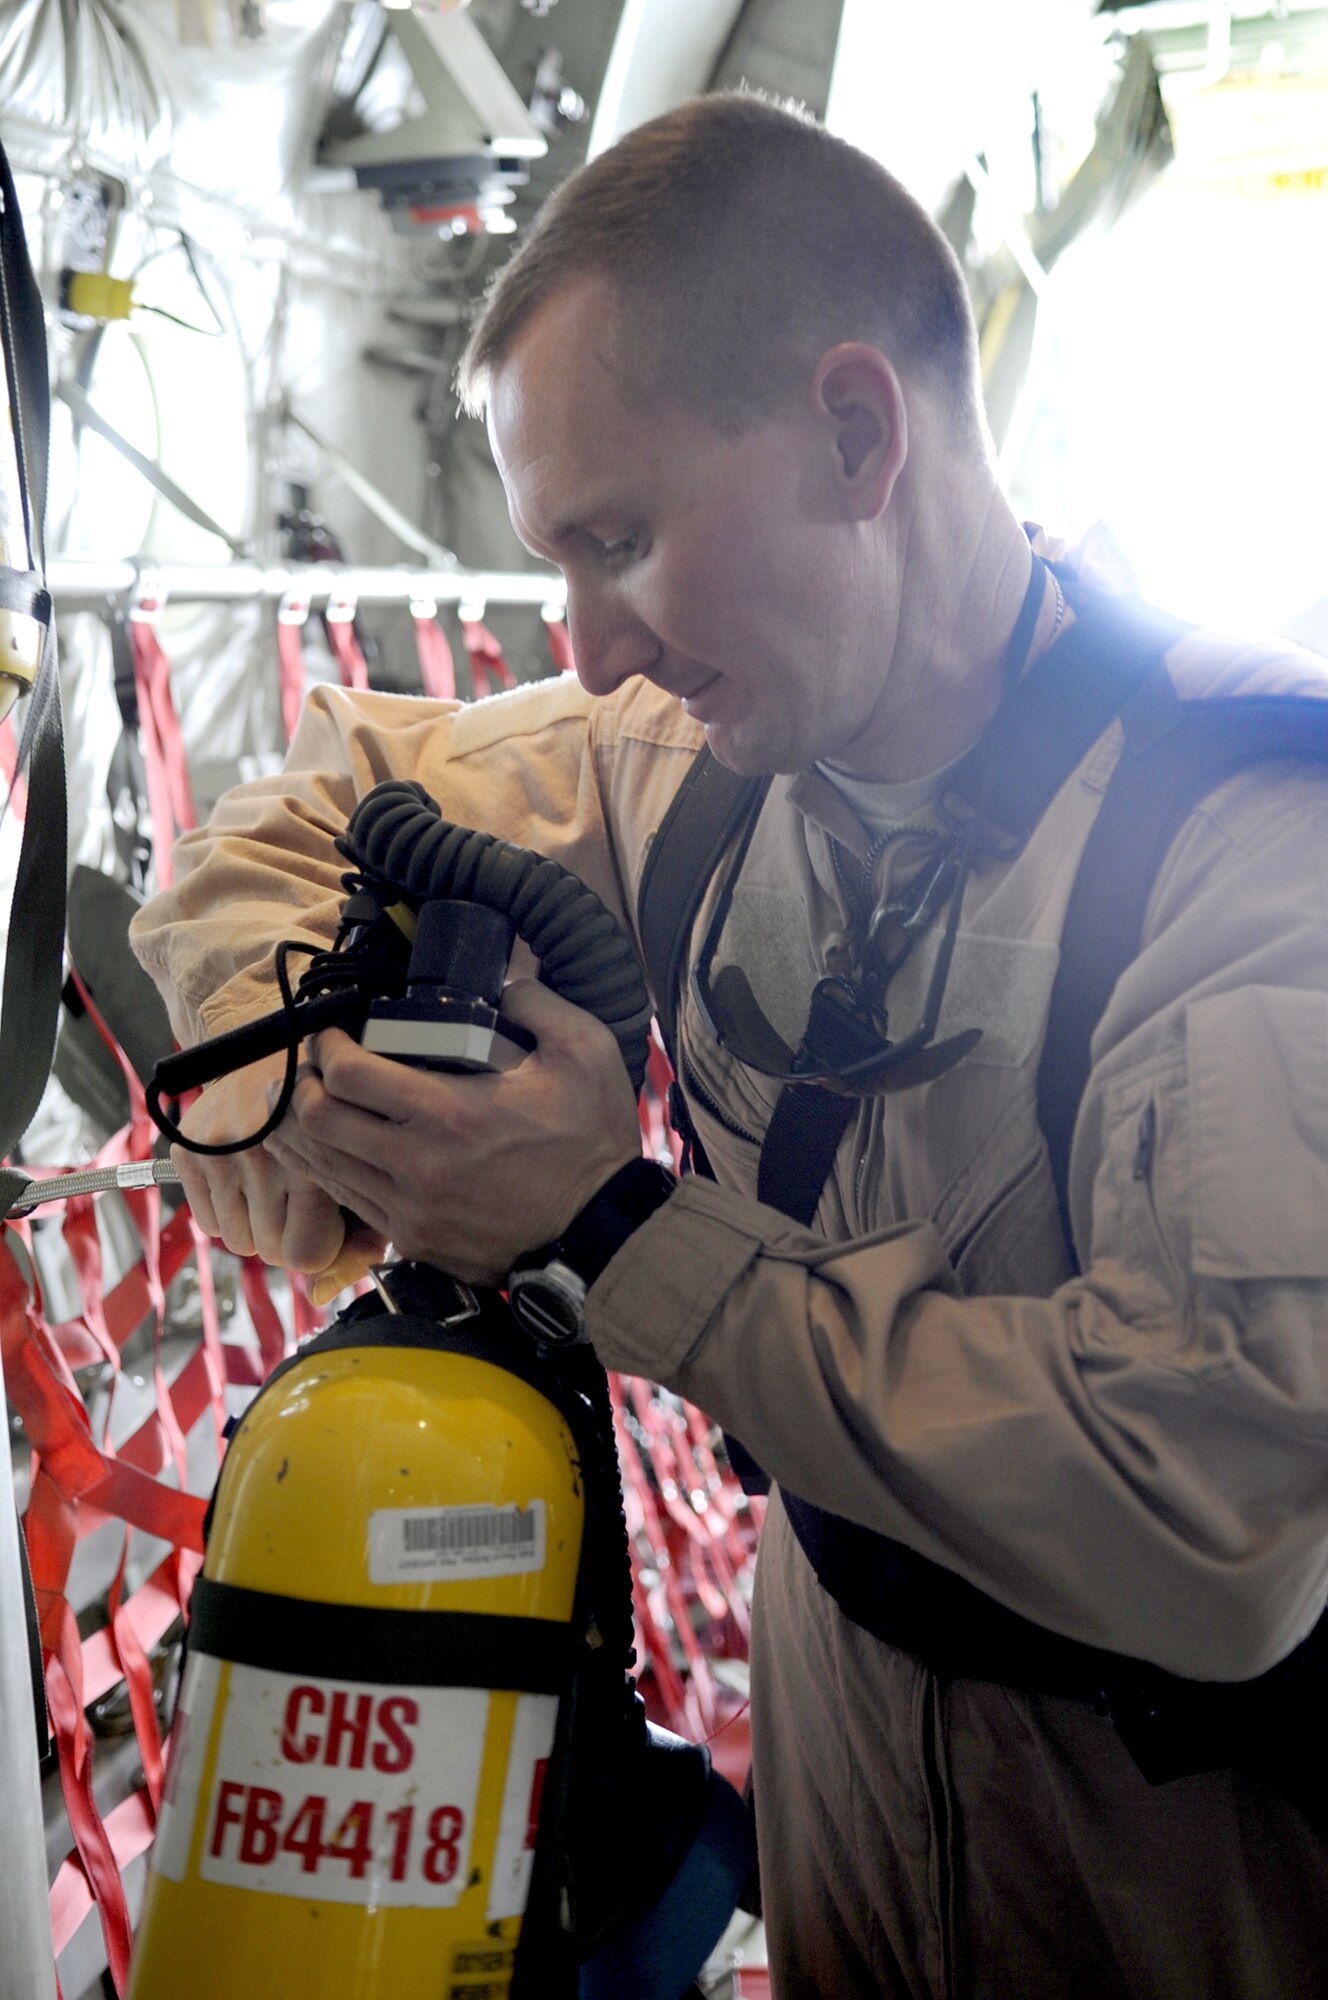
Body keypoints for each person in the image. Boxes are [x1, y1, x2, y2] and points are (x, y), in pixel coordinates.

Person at [130, 93, 1328, 2000]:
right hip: (847, 1768)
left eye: (622, 539)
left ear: (858, 431)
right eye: (556, 560)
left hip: (1181, 1859)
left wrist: (610, 1229)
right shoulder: (685, 767)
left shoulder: (1254, 845)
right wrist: (368, 1102)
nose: (592, 650)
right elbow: (268, 837)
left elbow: (1209, 1532)